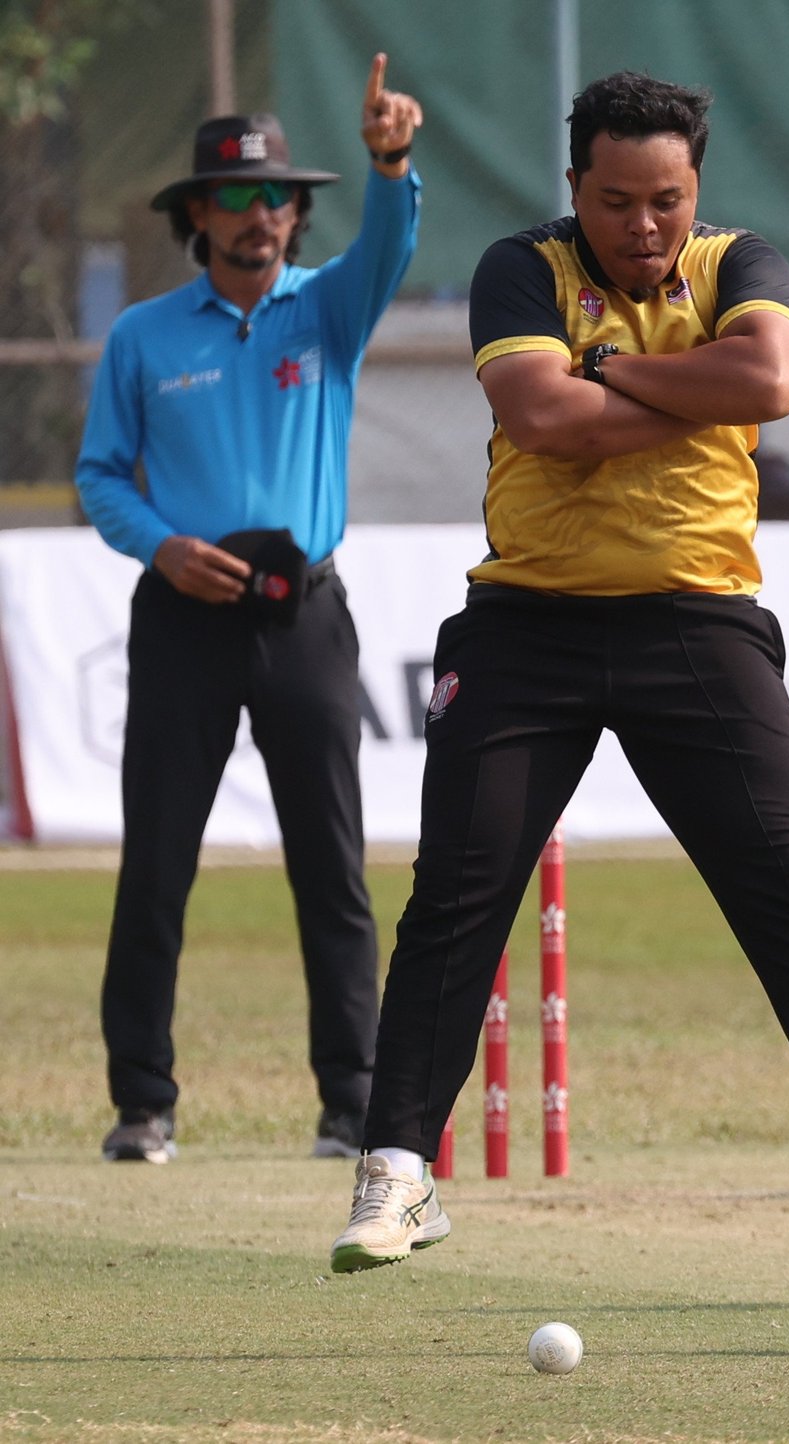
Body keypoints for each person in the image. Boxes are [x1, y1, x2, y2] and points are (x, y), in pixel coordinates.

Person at [328, 71, 789, 1270]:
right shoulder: (521, 267)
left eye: (666, 202)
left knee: (787, 886)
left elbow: (772, 384)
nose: (644, 228)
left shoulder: (743, 263)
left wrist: (611, 372)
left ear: (697, 192)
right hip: (527, 621)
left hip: (699, 620)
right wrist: (691, 392)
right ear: (574, 187)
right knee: (459, 899)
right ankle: (398, 1176)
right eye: (618, 200)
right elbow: (542, 421)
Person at [75, 55, 423, 1164]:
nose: (262, 214)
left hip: (305, 617)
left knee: (331, 860)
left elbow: (388, 249)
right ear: (198, 215)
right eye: (237, 196)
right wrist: (162, 547)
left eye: (278, 196)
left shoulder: (326, 311)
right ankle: (143, 1102)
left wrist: (391, 163)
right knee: (159, 859)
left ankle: (352, 1100)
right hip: (181, 615)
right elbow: (100, 476)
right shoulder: (143, 336)